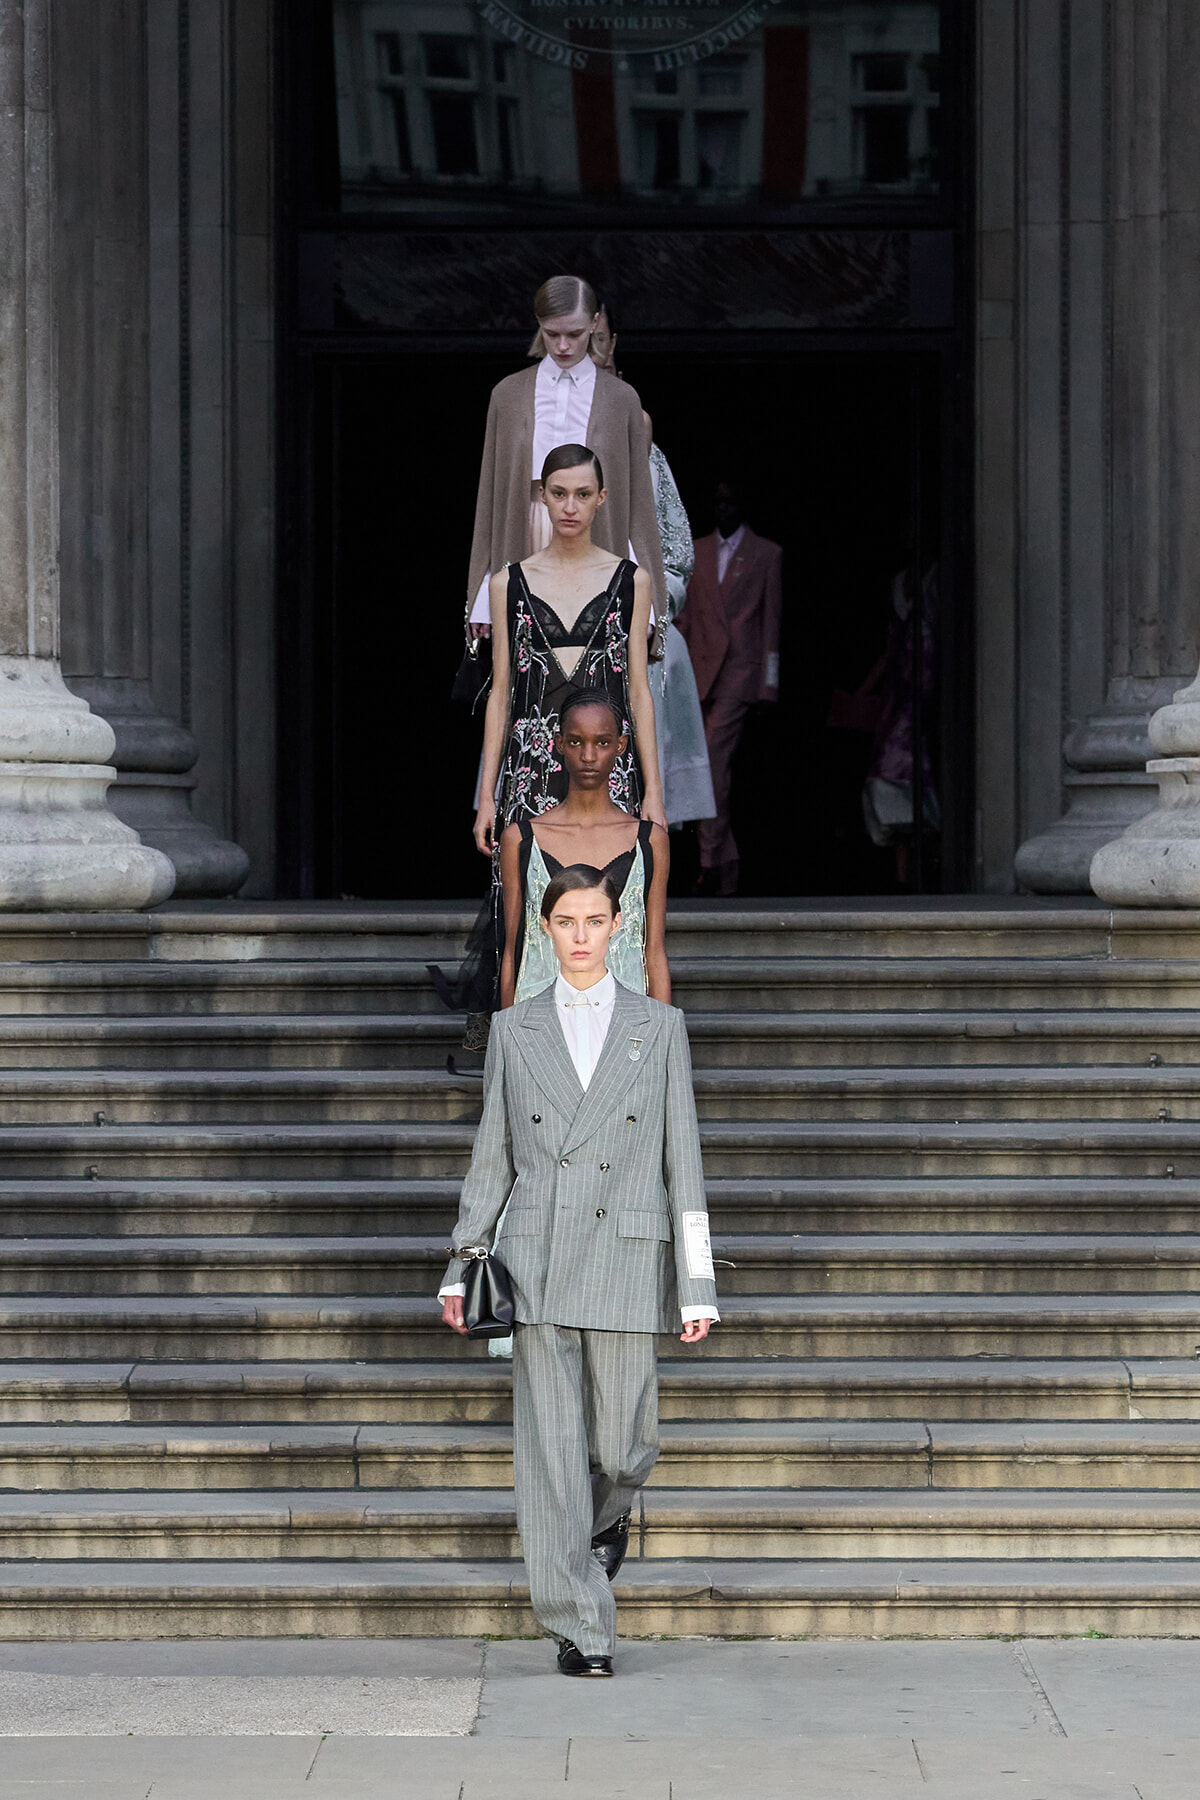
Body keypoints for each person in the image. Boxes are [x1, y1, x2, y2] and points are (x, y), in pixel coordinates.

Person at [439, 864, 718, 1677]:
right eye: (569, 922)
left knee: (629, 1446)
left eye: (597, 920)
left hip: (631, 1257)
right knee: (553, 1451)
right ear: (547, 931)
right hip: (540, 1258)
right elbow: (491, 1160)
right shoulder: (516, 1030)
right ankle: (581, 1624)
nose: (584, 935)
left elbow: (685, 1165)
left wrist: (696, 1283)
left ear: (619, 926)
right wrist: (462, 1264)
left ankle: (603, 1525)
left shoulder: (659, 1027)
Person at [465, 275, 665, 641]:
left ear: (594, 323)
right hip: (525, 537)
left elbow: (635, 505)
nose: (561, 345)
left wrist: (647, 602)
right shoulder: (508, 395)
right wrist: (482, 595)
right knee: (528, 675)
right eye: (551, 332)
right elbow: (491, 501)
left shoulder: (622, 399)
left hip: (599, 538)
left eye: (574, 333)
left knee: (590, 672)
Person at [588, 299, 715, 827]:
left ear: (612, 343)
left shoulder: (639, 431)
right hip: (563, 628)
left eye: (595, 338)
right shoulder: (537, 426)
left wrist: (649, 611)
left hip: (638, 634)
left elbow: (676, 551)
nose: (582, 352)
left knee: (641, 793)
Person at [499, 688, 670, 1008]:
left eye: (602, 742)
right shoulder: (521, 840)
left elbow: (654, 951)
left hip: (624, 1027)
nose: (588, 756)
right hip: (540, 1025)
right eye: (576, 742)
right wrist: (507, 1038)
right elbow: (514, 952)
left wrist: (662, 1038)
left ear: (620, 745)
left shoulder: (649, 841)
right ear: (559, 743)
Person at [676, 480, 782, 895]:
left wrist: (768, 686)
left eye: (731, 500)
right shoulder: (697, 550)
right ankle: (728, 866)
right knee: (706, 769)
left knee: (712, 766)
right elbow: (685, 614)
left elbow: (770, 623)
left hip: (740, 671)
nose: (724, 508)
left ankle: (707, 861)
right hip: (699, 670)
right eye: (717, 501)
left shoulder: (767, 554)